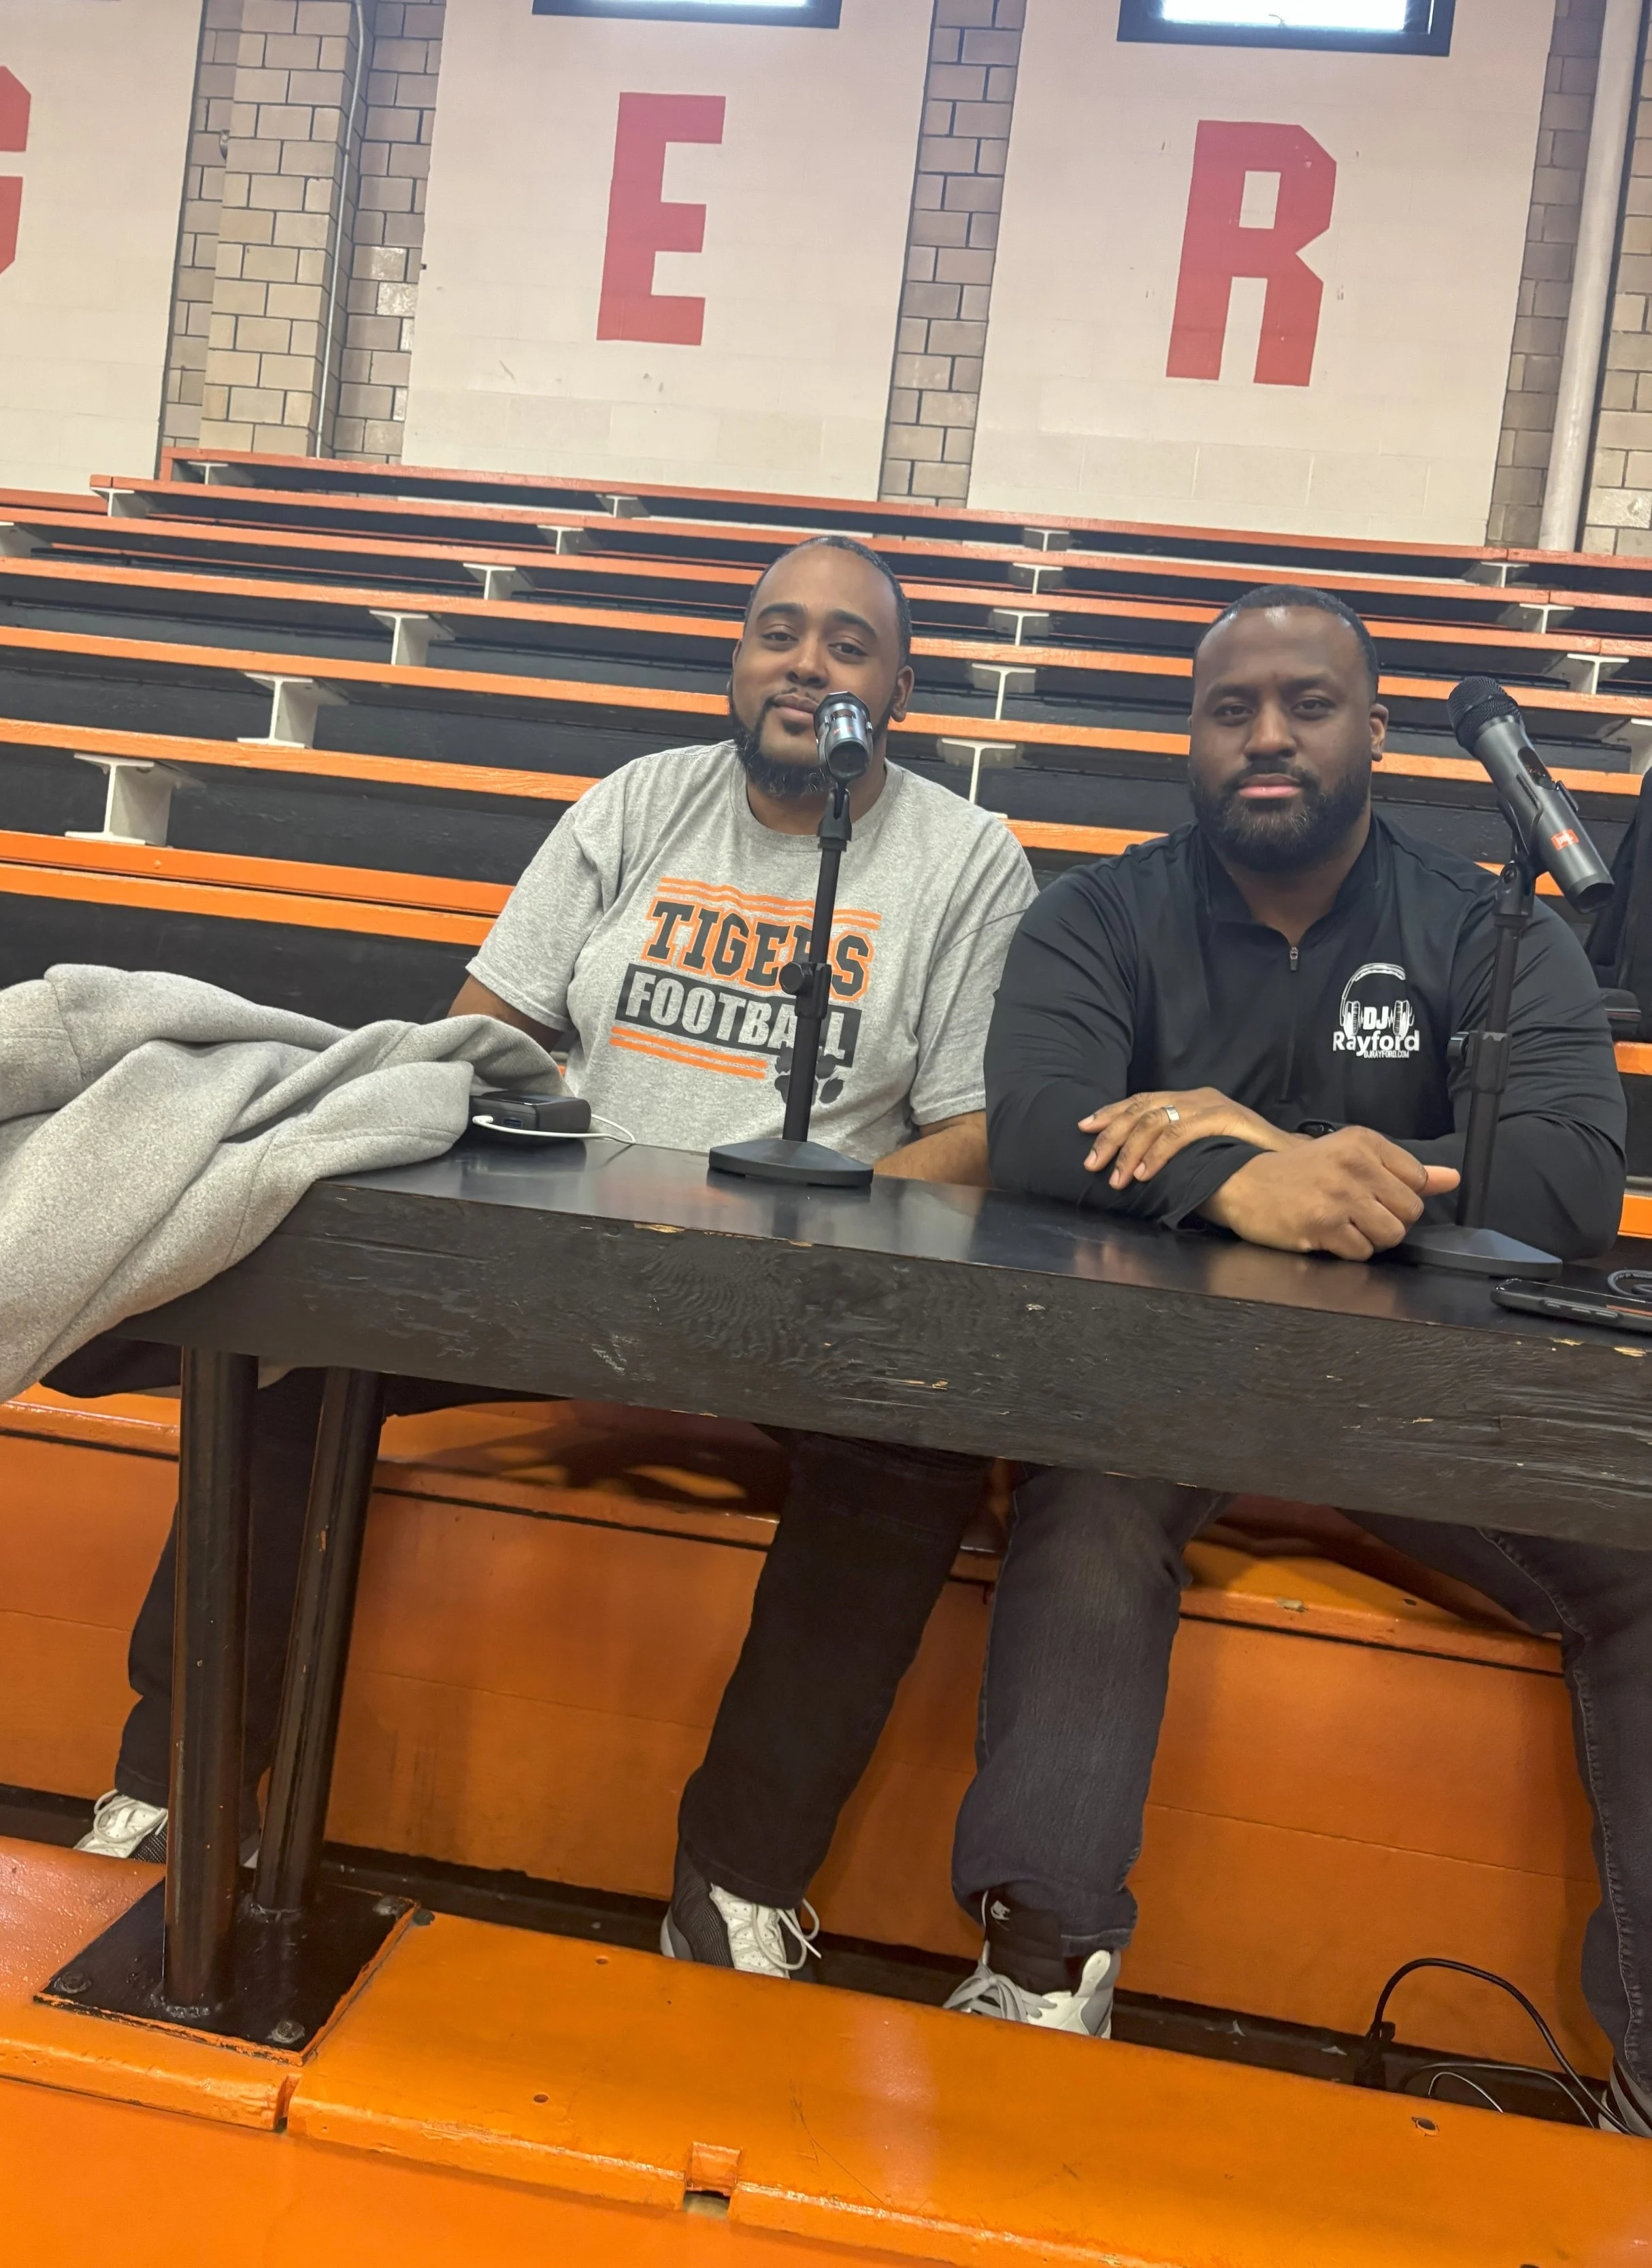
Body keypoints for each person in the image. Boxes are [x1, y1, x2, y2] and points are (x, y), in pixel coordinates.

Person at [81, 534, 1040, 1992]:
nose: (804, 663)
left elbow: (967, 1138)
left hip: (803, 1285)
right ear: (736, 660)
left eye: (846, 645)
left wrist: (801, 1249)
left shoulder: (970, 861)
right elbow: (490, 1036)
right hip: (558, 1253)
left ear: (897, 688)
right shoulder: (633, 806)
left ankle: (736, 1882)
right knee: (287, 1341)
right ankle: (174, 1785)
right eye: (774, 631)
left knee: (909, 1454)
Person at [949, 585, 1651, 2141]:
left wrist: (1252, 1140)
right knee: (1085, 1494)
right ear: (1190, 736)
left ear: (1375, 730)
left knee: (1644, 1557)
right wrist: (1238, 1180)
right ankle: (1041, 1969)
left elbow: (1561, 1188)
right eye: (1229, 707)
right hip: (1163, 1389)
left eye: (1307, 703)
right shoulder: (1099, 915)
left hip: (1437, 1408)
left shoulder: (1489, 923)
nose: (1265, 734)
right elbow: (1031, 1126)